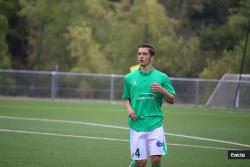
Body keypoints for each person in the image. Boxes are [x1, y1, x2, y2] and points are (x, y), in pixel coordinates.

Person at [123, 43, 176, 167]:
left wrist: (162, 90)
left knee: (156, 159)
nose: (141, 56)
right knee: (141, 163)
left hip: (155, 124)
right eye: (139, 54)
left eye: (145, 54)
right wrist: (129, 109)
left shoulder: (162, 77)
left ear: (152, 57)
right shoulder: (129, 78)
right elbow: (126, 98)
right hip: (137, 124)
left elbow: (172, 99)